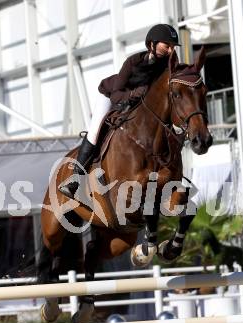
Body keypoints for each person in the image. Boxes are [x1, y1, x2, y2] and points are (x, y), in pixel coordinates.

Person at [59, 24, 181, 199]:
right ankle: (75, 179)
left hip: (140, 105)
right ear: (152, 44)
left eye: (172, 47)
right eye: (167, 45)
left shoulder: (168, 64)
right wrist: (132, 94)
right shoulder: (134, 62)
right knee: (95, 131)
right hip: (111, 96)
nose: (170, 50)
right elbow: (116, 94)